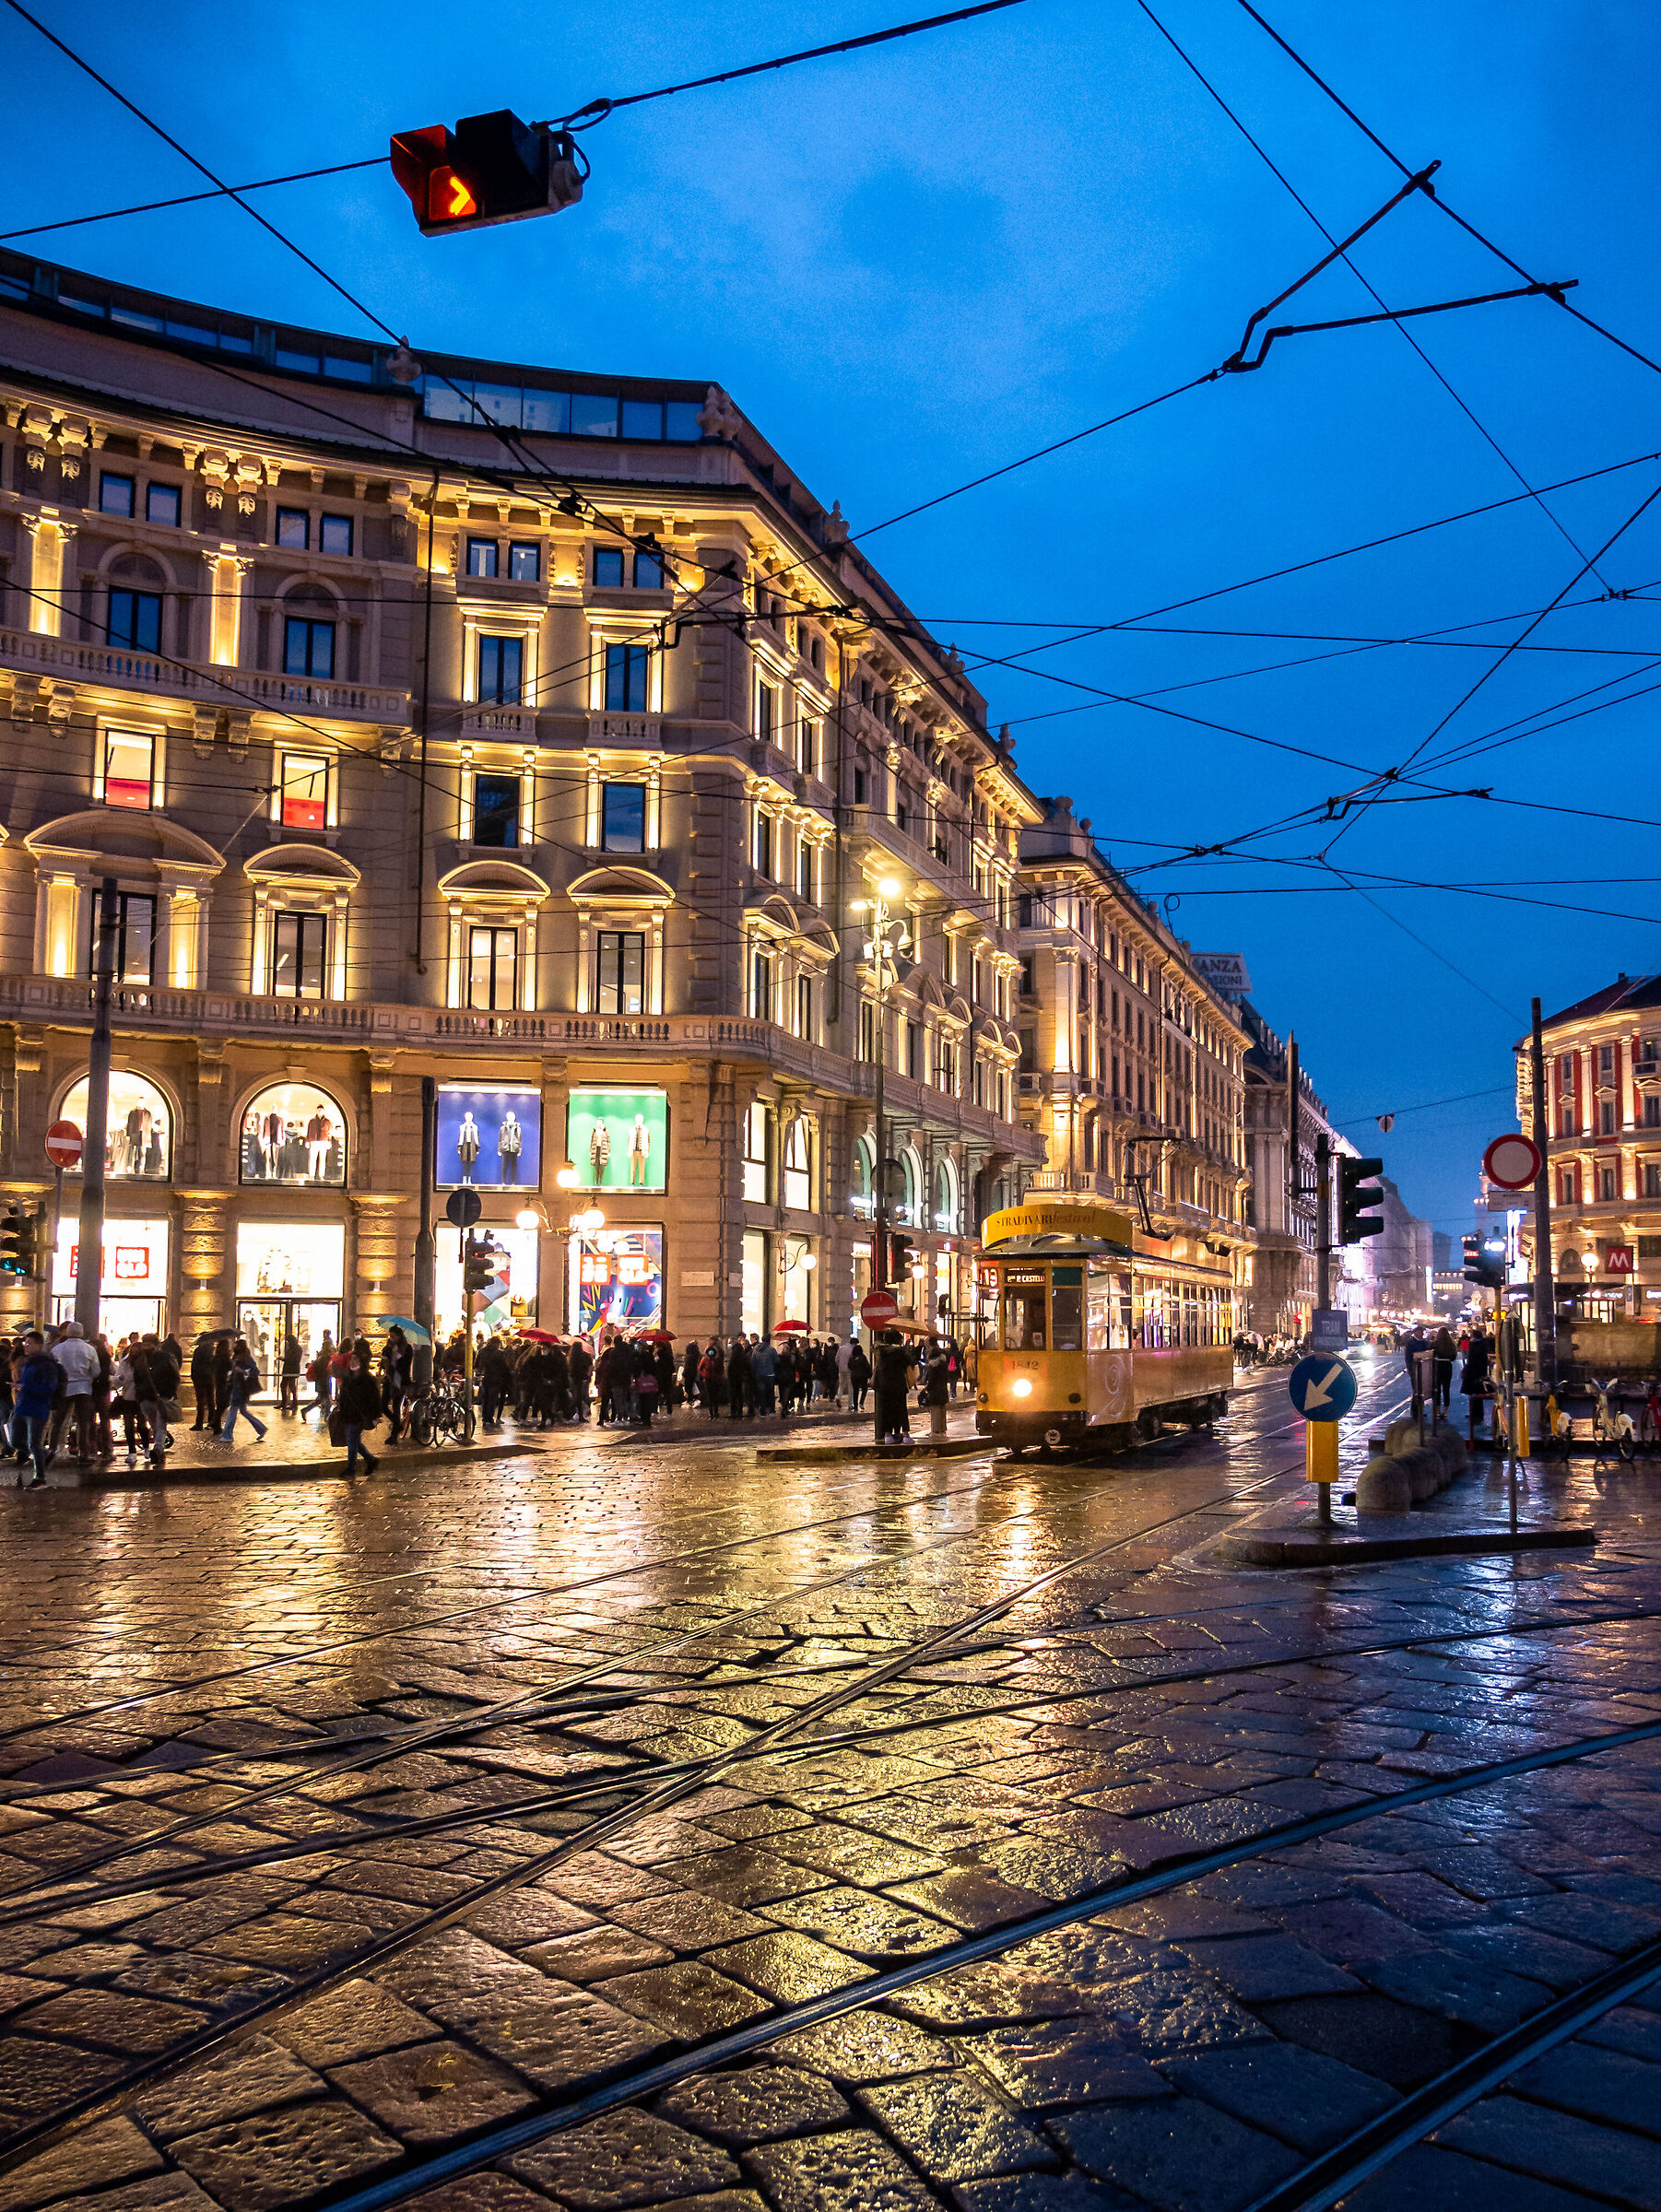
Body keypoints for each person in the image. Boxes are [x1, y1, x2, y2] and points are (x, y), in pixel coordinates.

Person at [12, 1332, 59, 1486]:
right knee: (15, 1440)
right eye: (25, 1343)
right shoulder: (28, 1362)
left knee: (34, 1443)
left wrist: (24, 1387)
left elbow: (48, 1389)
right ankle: (44, 1454)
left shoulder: (46, 1365)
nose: (26, 1346)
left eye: (30, 1343)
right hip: (22, 1407)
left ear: (39, 1345)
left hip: (37, 1408)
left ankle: (40, 1477)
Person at [51, 1321, 100, 1464]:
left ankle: (52, 1450)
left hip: (64, 1387)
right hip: (83, 1388)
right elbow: (96, 1371)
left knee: (58, 1421)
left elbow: (53, 1369)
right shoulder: (89, 1349)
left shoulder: (58, 1349)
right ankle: (83, 1453)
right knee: (83, 1422)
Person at [336, 1349, 383, 1474]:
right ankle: (371, 1460)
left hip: (361, 1415)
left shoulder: (367, 1379)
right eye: (351, 1359)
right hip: (349, 1414)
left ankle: (351, 1468)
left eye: (355, 1359)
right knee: (354, 1440)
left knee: (352, 1439)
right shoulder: (348, 1377)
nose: (352, 1362)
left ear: (361, 1362)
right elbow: (344, 1396)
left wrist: (375, 1416)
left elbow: (375, 1398)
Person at [219, 1338, 267, 1445]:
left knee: (233, 1411)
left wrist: (241, 1371)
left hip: (241, 1390)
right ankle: (261, 1428)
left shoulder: (246, 1359)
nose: (234, 1347)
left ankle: (227, 1435)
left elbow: (254, 1371)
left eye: (236, 1345)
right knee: (243, 1411)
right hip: (237, 1388)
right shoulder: (237, 1358)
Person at [873, 1331, 913, 1442]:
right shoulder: (900, 1351)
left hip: (885, 1386)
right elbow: (909, 1362)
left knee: (887, 1410)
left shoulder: (880, 1351)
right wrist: (906, 1349)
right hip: (898, 1385)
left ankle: (888, 1435)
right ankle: (905, 1435)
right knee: (901, 1410)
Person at [924, 1336, 950, 1440]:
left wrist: (927, 1388)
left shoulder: (934, 1364)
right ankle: (942, 1430)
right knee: (941, 1410)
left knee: (935, 1410)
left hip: (935, 1390)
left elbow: (932, 1379)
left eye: (927, 1343)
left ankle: (936, 1431)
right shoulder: (943, 1361)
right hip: (942, 1388)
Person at [190, 1331, 217, 1430]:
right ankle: (211, 1422)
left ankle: (199, 1424)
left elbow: (194, 1365)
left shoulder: (198, 1350)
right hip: (210, 1378)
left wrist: (193, 1377)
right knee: (211, 1401)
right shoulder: (213, 1350)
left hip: (200, 1379)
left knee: (200, 1402)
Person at [751, 1335, 777, 1418]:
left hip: (759, 1374)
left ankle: (763, 1412)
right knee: (770, 1392)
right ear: (769, 1340)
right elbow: (777, 1361)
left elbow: (753, 1362)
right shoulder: (772, 1350)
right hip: (770, 1374)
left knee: (761, 1393)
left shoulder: (755, 1350)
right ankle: (772, 1411)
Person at [699, 1340, 725, 1418]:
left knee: (715, 1395)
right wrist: (705, 1375)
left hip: (716, 1379)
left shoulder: (718, 1360)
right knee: (709, 1395)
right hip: (708, 1379)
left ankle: (716, 1410)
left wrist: (719, 1376)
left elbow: (721, 1369)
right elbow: (700, 1369)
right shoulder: (704, 1359)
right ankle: (711, 1411)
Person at [568, 1336, 593, 1420]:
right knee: (579, 1398)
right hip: (581, 1378)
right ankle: (567, 1411)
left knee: (578, 1397)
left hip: (573, 1378)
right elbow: (589, 1364)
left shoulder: (572, 1357)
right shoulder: (584, 1356)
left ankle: (580, 1416)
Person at [279, 1333, 302, 1416]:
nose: (287, 1343)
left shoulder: (297, 1349)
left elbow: (294, 1360)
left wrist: (284, 1359)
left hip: (292, 1369)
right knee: (284, 1385)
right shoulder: (291, 1348)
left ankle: (294, 1403)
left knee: (291, 1386)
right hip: (288, 1369)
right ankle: (285, 1402)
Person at [847, 1338, 871, 1415]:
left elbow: (849, 1366)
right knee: (864, 1389)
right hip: (862, 1376)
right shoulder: (863, 1357)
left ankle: (855, 1405)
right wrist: (869, 1374)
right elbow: (867, 1366)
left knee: (855, 1391)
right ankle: (861, 1402)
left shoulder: (851, 1358)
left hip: (854, 1376)